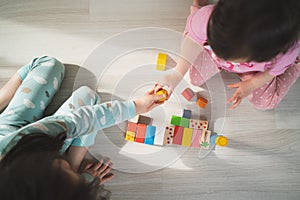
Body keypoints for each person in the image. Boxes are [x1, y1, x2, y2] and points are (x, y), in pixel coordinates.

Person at [0, 56, 163, 199]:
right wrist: (86, 180)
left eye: (65, 169)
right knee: (88, 97)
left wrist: (136, 106)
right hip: (33, 150)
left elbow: (83, 119)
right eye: (72, 173)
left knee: (49, 64)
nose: (66, 166)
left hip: (14, 135)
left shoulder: (25, 141)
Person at [155, 0, 300, 110]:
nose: (222, 58)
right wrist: (177, 73)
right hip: (208, 33)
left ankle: (296, 64)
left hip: (257, 70)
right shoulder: (209, 19)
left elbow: (272, 72)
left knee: (266, 103)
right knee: (192, 77)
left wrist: (252, 84)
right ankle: (199, 6)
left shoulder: (284, 52)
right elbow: (192, 43)